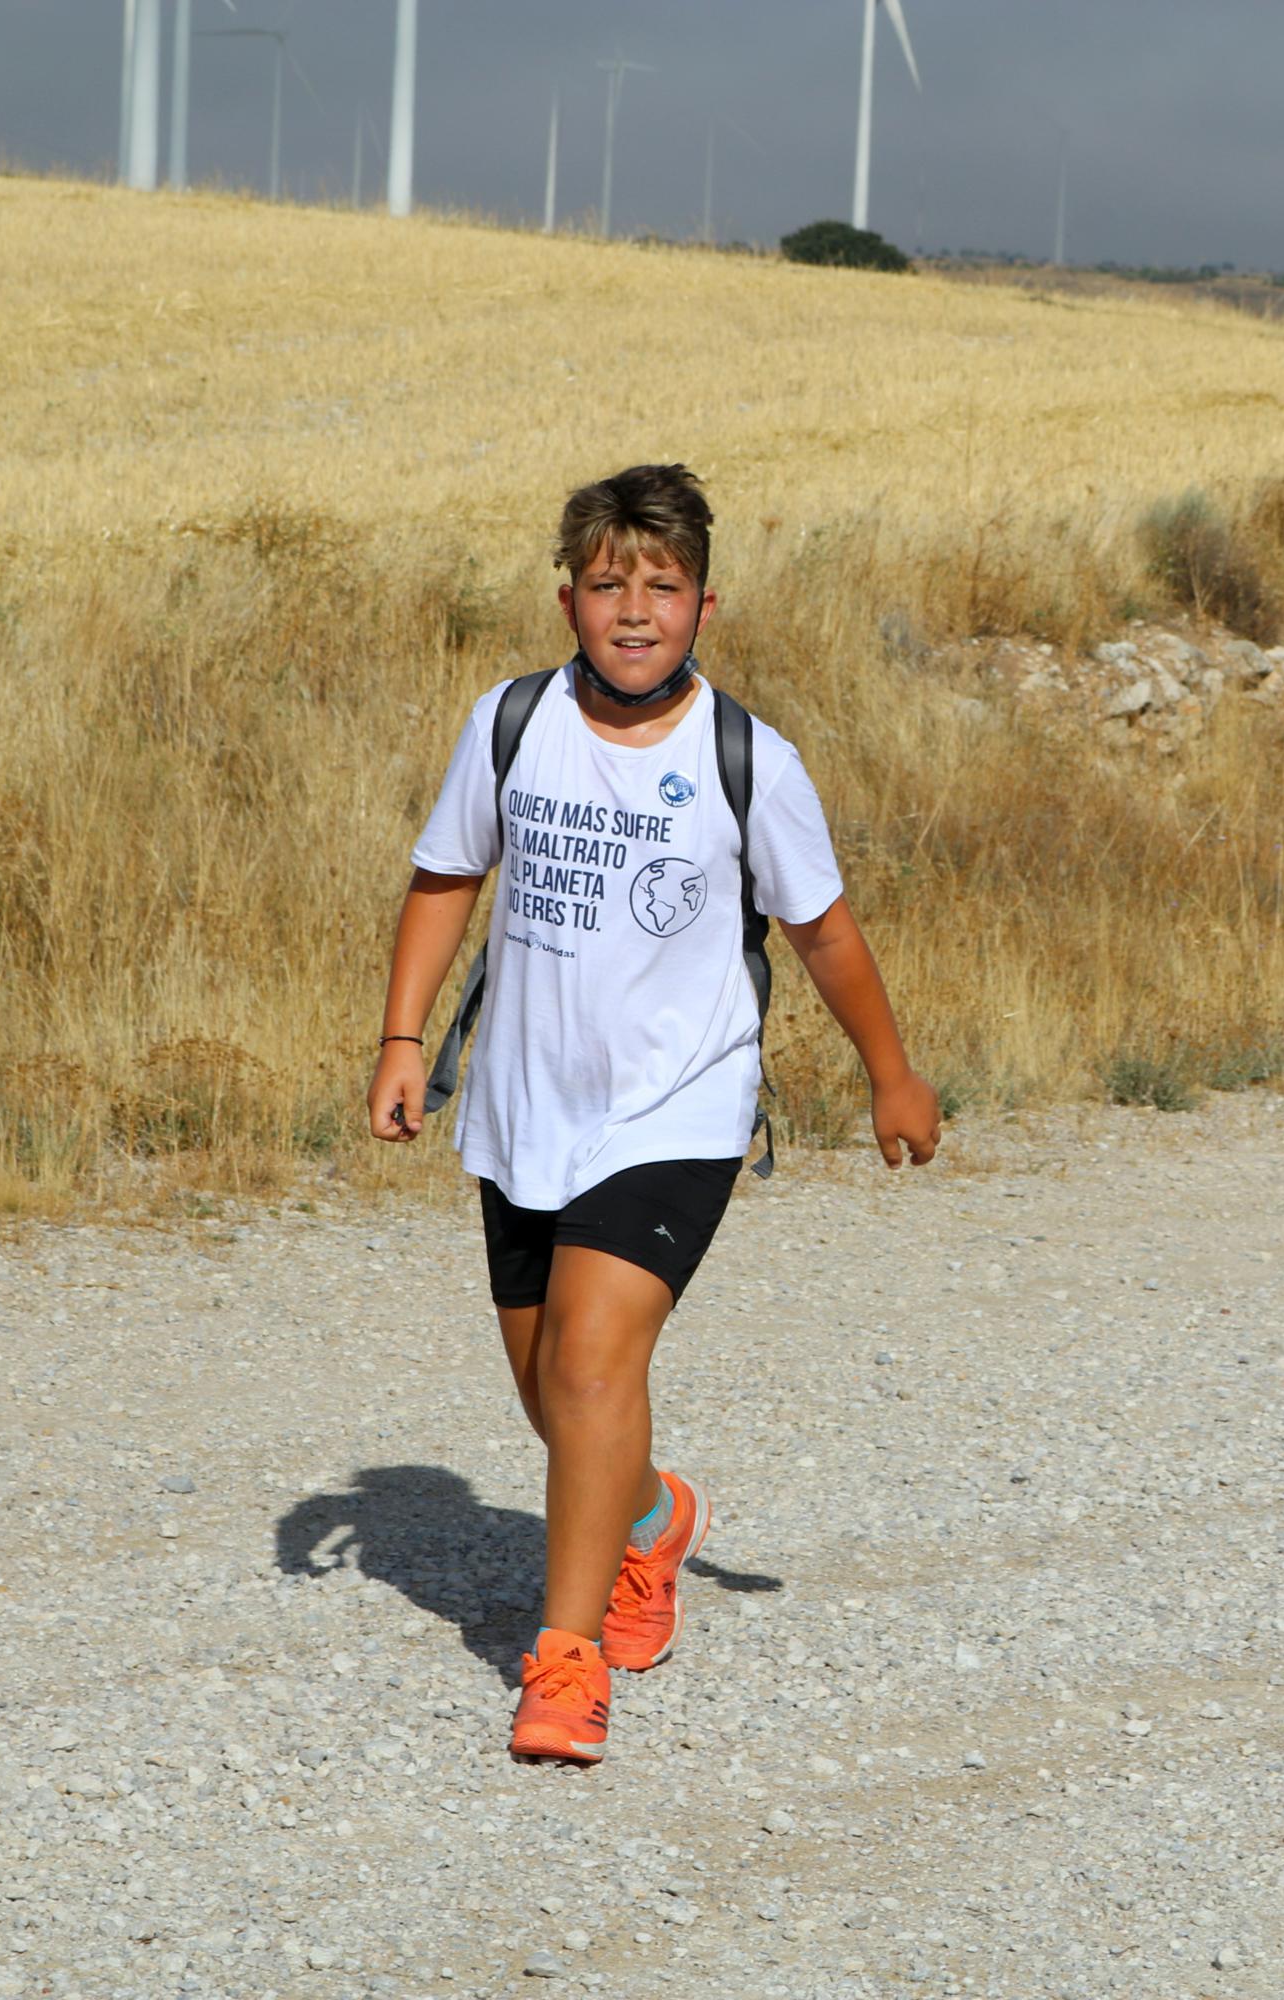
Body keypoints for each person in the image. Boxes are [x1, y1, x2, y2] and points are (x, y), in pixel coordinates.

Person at [366, 463, 941, 1761]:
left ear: (705, 605)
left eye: (663, 587)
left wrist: (889, 1071)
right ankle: (649, 1519)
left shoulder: (749, 760)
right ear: (568, 597)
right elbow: (444, 875)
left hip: (677, 1109)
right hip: (523, 1104)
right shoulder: (511, 725)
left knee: (588, 1366)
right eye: (610, 584)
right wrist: (405, 1038)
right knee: (551, 1394)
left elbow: (825, 932)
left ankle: (564, 1669)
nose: (636, 611)